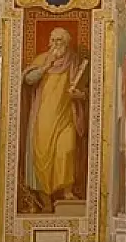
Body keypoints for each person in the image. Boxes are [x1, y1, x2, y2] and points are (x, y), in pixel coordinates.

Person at [22, 27, 87, 208]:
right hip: (44, 117)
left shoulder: (73, 60)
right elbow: (28, 79)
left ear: (66, 43)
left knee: (66, 150)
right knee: (42, 156)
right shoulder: (43, 58)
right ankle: (45, 199)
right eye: (54, 40)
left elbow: (84, 88)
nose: (56, 44)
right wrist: (46, 66)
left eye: (60, 40)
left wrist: (80, 95)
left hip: (66, 116)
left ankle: (67, 192)